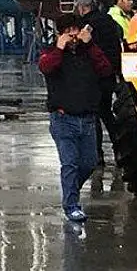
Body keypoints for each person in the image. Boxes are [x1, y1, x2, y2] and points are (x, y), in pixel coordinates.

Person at [39, 14, 113, 222]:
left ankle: (70, 190)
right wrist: (59, 49)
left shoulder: (88, 52)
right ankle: (71, 205)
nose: (73, 35)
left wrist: (90, 46)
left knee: (89, 163)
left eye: (76, 30)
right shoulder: (51, 53)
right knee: (69, 163)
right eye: (68, 31)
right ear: (59, 33)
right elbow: (46, 67)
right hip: (63, 119)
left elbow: (106, 69)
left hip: (88, 119)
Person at [75, 0, 122, 166]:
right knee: (107, 112)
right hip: (108, 74)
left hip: (93, 76)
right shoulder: (109, 21)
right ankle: (119, 150)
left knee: (93, 115)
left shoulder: (85, 25)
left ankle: (98, 154)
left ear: (82, 7)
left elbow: (81, 49)